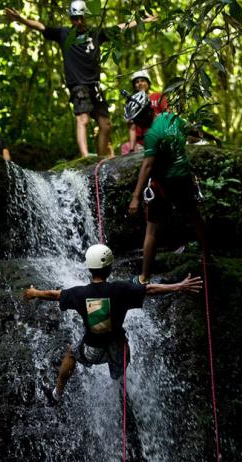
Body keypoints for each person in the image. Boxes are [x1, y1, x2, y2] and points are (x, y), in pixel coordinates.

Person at [23, 243, 202, 405]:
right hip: (117, 349)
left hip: (92, 349)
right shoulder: (121, 288)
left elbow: (54, 295)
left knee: (72, 353)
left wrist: (35, 292)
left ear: (89, 269)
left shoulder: (79, 293)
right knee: (123, 348)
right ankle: (120, 385)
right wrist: (180, 286)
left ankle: (57, 394)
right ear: (109, 268)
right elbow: (150, 289)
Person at [5, 2, 157, 158]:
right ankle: (85, 156)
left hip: (95, 86)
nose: (77, 21)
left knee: (105, 125)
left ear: (86, 17)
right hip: (78, 84)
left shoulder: (96, 34)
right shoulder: (64, 34)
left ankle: (101, 158)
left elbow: (119, 27)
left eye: (80, 18)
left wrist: (142, 20)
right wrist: (21, 19)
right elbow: (41, 27)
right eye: (74, 18)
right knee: (82, 119)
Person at [126, 91, 207, 285]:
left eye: (137, 119)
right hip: (184, 179)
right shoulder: (172, 118)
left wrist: (136, 197)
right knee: (195, 217)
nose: (136, 125)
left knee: (152, 231)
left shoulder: (152, 135)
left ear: (146, 112)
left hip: (164, 184)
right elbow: (194, 131)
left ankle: (144, 277)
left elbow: (147, 166)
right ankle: (207, 257)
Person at [121, 69, 168, 155]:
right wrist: (132, 149)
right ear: (134, 86)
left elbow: (168, 114)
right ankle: (133, 149)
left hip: (159, 133)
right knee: (125, 147)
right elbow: (132, 126)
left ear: (148, 83)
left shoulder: (157, 96)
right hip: (141, 141)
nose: (140, 83)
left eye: (143, 80)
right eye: (137, 82)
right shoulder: (132, 104)